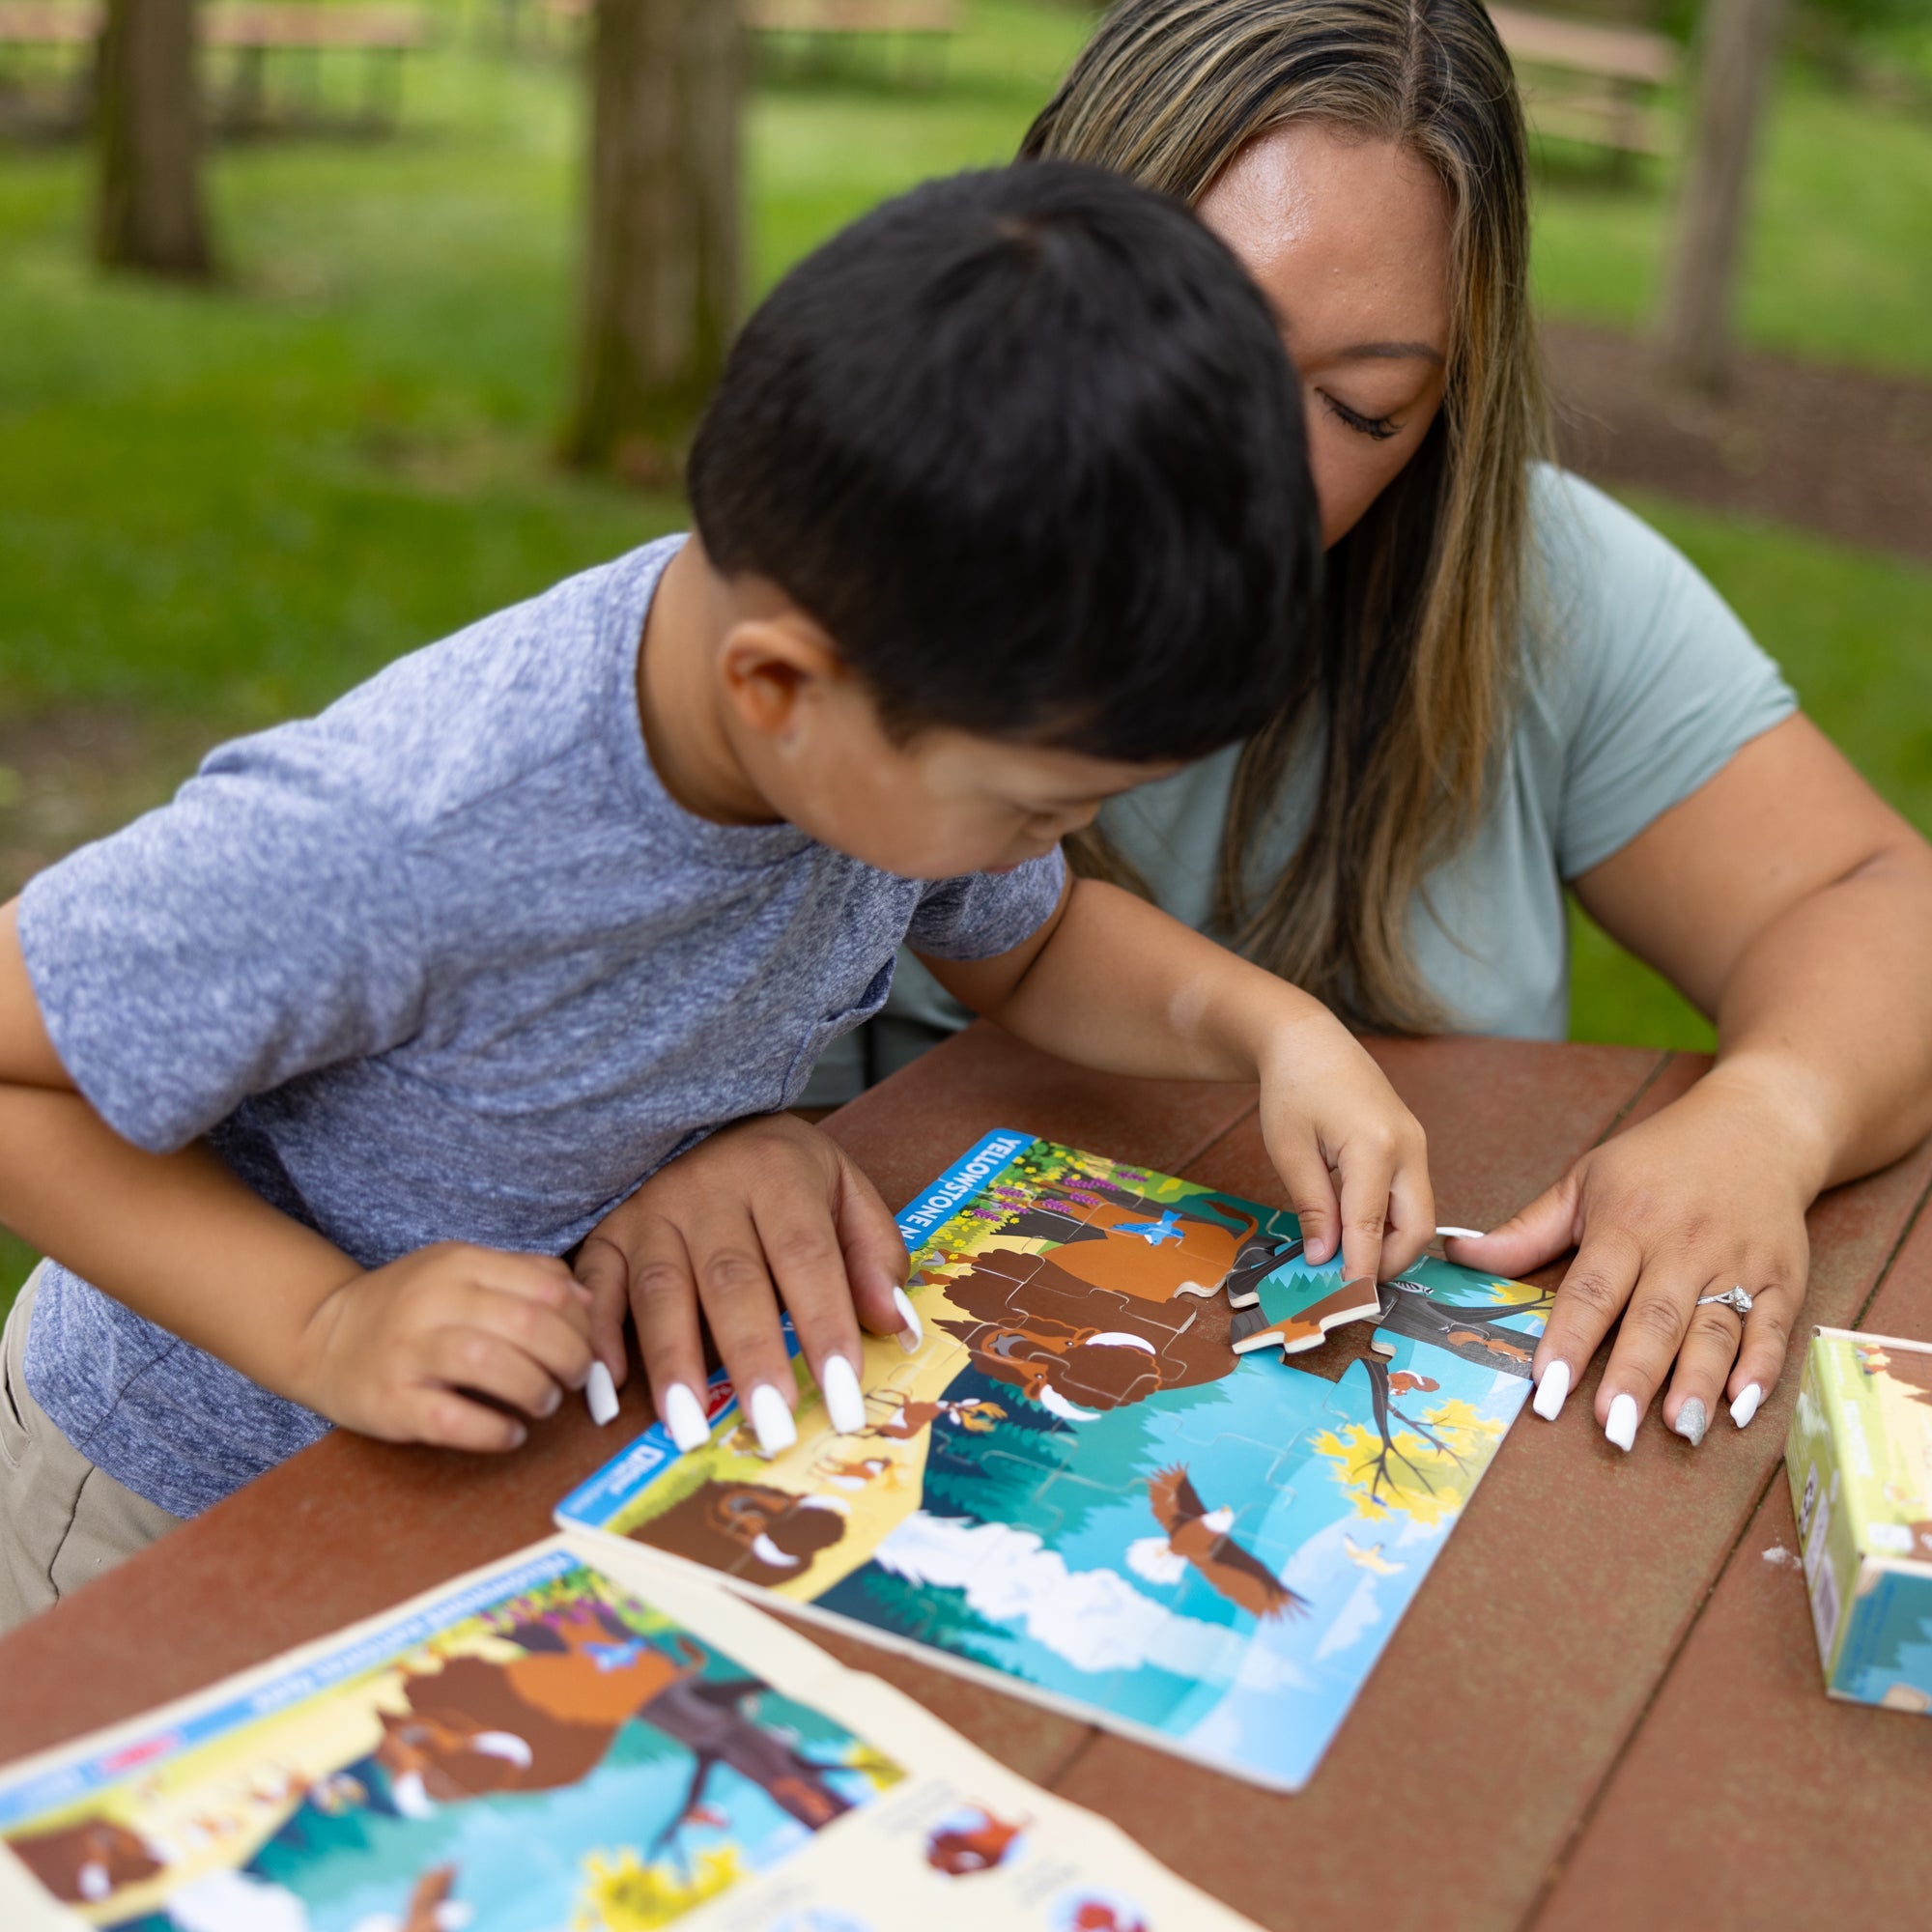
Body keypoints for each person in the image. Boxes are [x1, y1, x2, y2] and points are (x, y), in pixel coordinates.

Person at [0, 162, 1436, 1633]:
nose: (1059, 840)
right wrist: (321, 1324)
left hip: (487, 1483)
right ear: (778, 687)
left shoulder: (878, 702)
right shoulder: (407, 832)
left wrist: (1275, 1034)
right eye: (1032, 804)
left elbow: (1043, 939)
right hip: (170, 1509)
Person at [584, 0, 1932, 1463]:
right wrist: (702, 1144)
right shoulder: (843, 591)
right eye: (1201, 357)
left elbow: (1873, 904)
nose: (1254, 480)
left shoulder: (1540, 583)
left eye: (1362, 409)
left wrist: (1773, 1115)